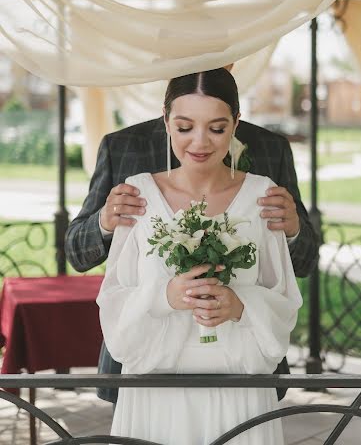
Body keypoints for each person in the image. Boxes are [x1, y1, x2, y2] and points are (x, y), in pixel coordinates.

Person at [65, 68, 317, 405]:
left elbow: (301, 264)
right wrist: (104, 222)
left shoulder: (269, 156)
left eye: (217, 128)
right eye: (184, 128)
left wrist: (293, 230)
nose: (200, 142)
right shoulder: (123, 150)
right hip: (149, 367)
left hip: (243, 372)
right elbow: (79, 255)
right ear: (167, 120)